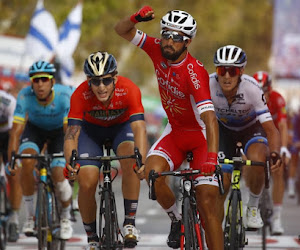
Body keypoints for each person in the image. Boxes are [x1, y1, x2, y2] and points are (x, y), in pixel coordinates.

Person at [115, 7, 223, 250]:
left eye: (176, 37)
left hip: (200, 138)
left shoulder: (195, 73)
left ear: (188, 42)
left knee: (207, 203)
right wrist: (135, 18)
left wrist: (212, 158)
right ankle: (176, 218)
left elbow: (210, 120)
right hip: (174, 132)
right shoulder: (156, 49)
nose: (169, 41)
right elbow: (121, 30)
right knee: (152, 175)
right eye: (166, 34)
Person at [63, 51, 148, 250]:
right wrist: (70, 164)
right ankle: (92, 235)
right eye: (95, 81)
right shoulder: (79, 94)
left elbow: (139, 128)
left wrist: (142, 160)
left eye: (107, 80)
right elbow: (71, 134)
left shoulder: (129, 89)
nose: (101, 87)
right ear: (88, 81)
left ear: (115, 77)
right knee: (87, 180)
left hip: (121, 128)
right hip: (90, 133)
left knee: (131, 159)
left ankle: (129, 222)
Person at [210, 45, 282, 230]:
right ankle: (215, 231)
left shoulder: (251, 88)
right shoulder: (208, 85)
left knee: (258, 160)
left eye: (232, 70)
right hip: (223, 130)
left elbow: (272, 129)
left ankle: (252, 207)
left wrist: (274, 153)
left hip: (251, 129)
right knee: (223, 182)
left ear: (240, 71)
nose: (226, 76)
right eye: (221, 70)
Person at [7, 60, 74, 240]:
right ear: (31, 83)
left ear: (52, 81)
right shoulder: (24, 96)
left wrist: (70, 158)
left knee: (59, 175)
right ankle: (31, 216)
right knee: (27, 162)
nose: (40, 84)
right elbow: (15, 132)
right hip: (35, 130)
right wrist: (12, 160)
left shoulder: (65, 95)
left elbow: (69, 131)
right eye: (35, 80)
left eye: (44, 79)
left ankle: (66, 217)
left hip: (60, 132)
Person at [253, 71, 290, 235]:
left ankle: (277, 218)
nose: (262, 95)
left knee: (279, 169)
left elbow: (282, 125)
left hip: (274, 135)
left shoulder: (277, 98)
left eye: (265, 92)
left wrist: (283, 148)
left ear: (270, 89)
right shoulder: (248, 98)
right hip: (257, 136)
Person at [0, 89, 18, 242]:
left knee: (13, 173)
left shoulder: (8, 101)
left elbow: (14, 133)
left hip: (7, 134)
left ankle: (14, 218)